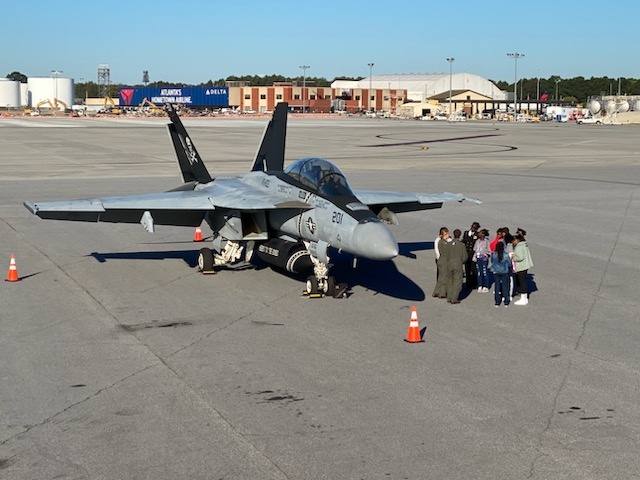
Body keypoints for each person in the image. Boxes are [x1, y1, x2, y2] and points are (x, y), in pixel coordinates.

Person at [446, 229, 468, 304]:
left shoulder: (448, 244)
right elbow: (465, 257)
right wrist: (462, 262)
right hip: (458, 264)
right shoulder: (462, 245)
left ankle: (449, 296)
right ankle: (454, 298)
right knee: (458, 281)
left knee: (449, 281)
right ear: (460, 235)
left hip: (449, 264)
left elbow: (445, 255)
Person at [512, 233, 533, 305]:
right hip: (525, 265)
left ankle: (523, 298)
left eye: (513, 241)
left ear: (517, 240)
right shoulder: (524, 245)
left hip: (521, 266)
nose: (513, 242)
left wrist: (513, 257)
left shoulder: (519, 247)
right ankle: (524, 297)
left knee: (522, 282)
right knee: (523, 281)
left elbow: (520, 257)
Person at [490, 241, 511, 307]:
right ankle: (506, 302)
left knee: (497, 286)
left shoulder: (494, 254)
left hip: (496, 271)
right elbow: (509, 263)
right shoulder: (506, 255)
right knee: (505, 286)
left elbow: (492, 261)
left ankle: (497, 302)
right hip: (504, 271)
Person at [432, 227, 450, 298]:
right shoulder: (438, 241)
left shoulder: (447, 240)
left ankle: (438, 291)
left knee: (442, 276)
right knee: (443, 276)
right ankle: (441, 292)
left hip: (443, 260)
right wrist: (439, 259)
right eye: (446, 234)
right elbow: (437, 251)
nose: (447, 235)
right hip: (442, 260)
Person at [462, 222, 480, 290]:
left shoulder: (477, 235)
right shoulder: (466, 233)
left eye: (475, 228)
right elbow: (464, 241)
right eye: (472, 227)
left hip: (473, 254)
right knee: (467, 268)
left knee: (473, 269)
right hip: (466, 253)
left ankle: (474, 283)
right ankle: (468, 283)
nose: (473, 229)